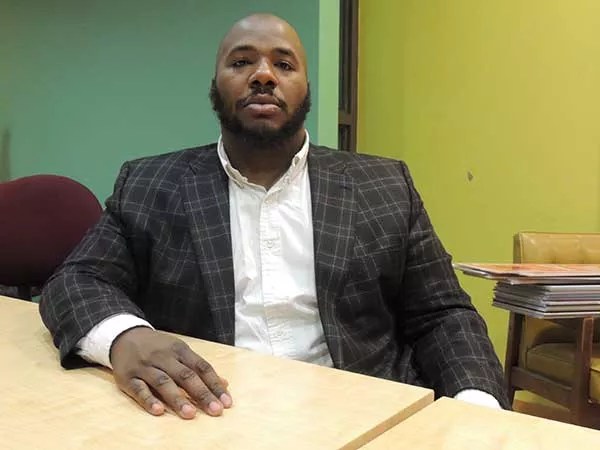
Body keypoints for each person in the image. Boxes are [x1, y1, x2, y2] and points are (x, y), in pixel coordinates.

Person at [40, 13, 509, 420]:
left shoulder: (384, 186)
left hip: (364, 413)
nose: (263, 75)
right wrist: (124, 338)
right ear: (215, 86)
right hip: (208, 412)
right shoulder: (150, 184)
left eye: (284, 65)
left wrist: (476, 408)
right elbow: (77, 280)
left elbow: (442, 314)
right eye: (241, 62)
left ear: (306, 88)